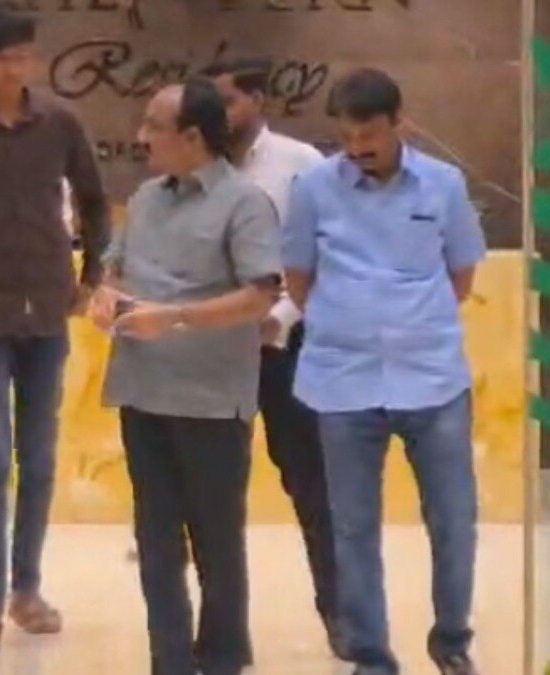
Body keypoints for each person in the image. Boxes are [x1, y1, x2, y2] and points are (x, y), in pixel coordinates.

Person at [282, 68, 484, 675]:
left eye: (369, 134)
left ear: (401, 124)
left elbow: (462, 274)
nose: (358, 148)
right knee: (352, 528)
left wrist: (408, 319)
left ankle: (451, 640)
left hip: (433, 379)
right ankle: (372, 657)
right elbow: (298, 277)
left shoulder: (444, 184)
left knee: (454, 521)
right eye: (347, 136)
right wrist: (349, 319)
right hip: (343, 383)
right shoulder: (314, 188)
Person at [0, 3, 110, 652]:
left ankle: (26, 588)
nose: (15, 69)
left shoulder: (60, 123)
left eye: (24, 57)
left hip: (48, 310)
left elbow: (93, 201)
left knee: (38, 457)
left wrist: (90, 275)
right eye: (4, 58)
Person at [92, 80, 281, 675]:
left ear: (194, 137)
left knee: (216, 541)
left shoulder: (245, 203)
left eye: (154, 125)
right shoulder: (146, 198)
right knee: (155, 540)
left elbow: (260, 295)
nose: (141, 136)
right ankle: (169, 660)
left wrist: (174, 317)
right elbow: (114, 267)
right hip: (142, 391)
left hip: (211, 400)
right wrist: (105, 295)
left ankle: (222, 658)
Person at [201, 57, 343, 656]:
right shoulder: (199, 166)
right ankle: (222, 632)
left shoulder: (301, 163)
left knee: (312, 483)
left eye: (228, 101)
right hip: (211, 353)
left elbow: (327, 252)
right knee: (213, 492)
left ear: (257, 100)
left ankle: (341, 613)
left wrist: (278, 318)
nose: (218, 115)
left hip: (288, 348)